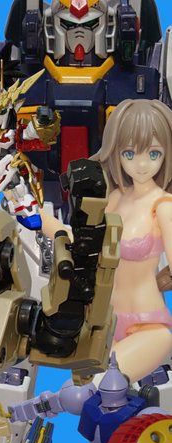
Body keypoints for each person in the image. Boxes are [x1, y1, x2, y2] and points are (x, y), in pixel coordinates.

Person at [42, 99, 172, 383]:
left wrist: (159, 282)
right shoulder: (115, 197)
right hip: (101, 321)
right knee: (79, 390)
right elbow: (86, 243)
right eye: (129, 153)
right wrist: (43, 221)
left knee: (94, 389)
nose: (141, 164)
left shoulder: (163, 206)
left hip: (147, 325)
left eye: (153, 153)